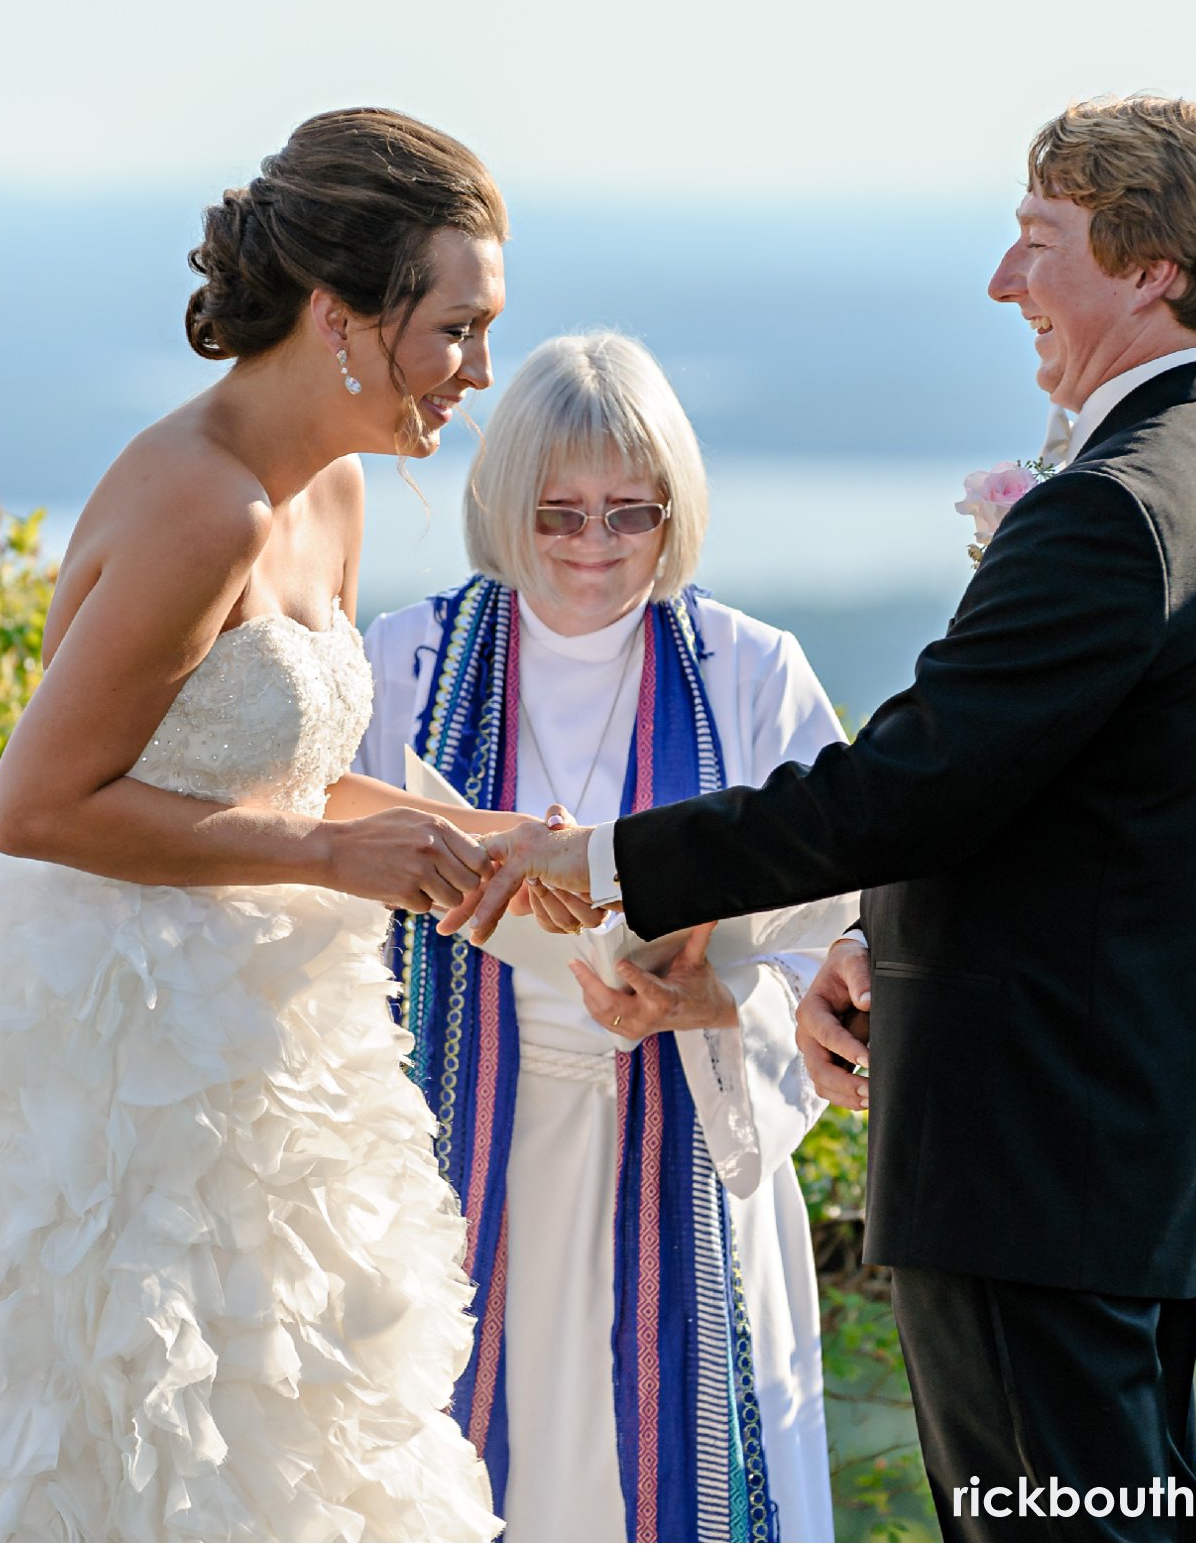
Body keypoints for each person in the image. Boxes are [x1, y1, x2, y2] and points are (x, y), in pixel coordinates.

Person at [446, 95, 1196, 1542]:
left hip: (1029, 1153)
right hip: (1113, 1139)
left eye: (1039, 241)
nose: (1004, 279)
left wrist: (607, 861)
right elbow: (1042, 805)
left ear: (1151, 264)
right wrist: (884, 948)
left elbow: (910, 778)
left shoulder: (1116, 507)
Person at [0, 108, 522, 1542]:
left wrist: (490, 838)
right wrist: (330, 857)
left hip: (276, 1051)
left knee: (283, 1445)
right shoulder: (203, 506)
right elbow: (40, 805)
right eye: (458, 332)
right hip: (114, 1062)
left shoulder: (333, 489)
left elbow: (277, 774)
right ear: (343, 315)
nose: (477, 373)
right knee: (104, 1447)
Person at [353, 331, 846, 1542]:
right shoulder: (408, 661)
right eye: (558, 513)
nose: (592, 547)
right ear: (502, 503)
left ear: (674, 508)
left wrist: (709, 1000)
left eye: (630, 514)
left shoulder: (746, 670)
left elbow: (841, 939)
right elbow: (326, 904)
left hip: (681, 1129)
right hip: (456, 1146)